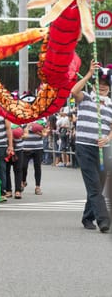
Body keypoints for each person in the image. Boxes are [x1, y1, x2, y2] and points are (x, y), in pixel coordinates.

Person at [71, 61, 112, 233]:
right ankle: (104, 221)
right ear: (94, 86)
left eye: (105, 86)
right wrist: (88, 74)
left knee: (98, 185)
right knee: (94, 185)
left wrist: (107, 138)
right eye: (99, 85)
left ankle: (87, 217)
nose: (102, 88)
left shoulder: (110, 105)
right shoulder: (86, 98)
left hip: (104, 149)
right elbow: (73, 91)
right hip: (84, 147)